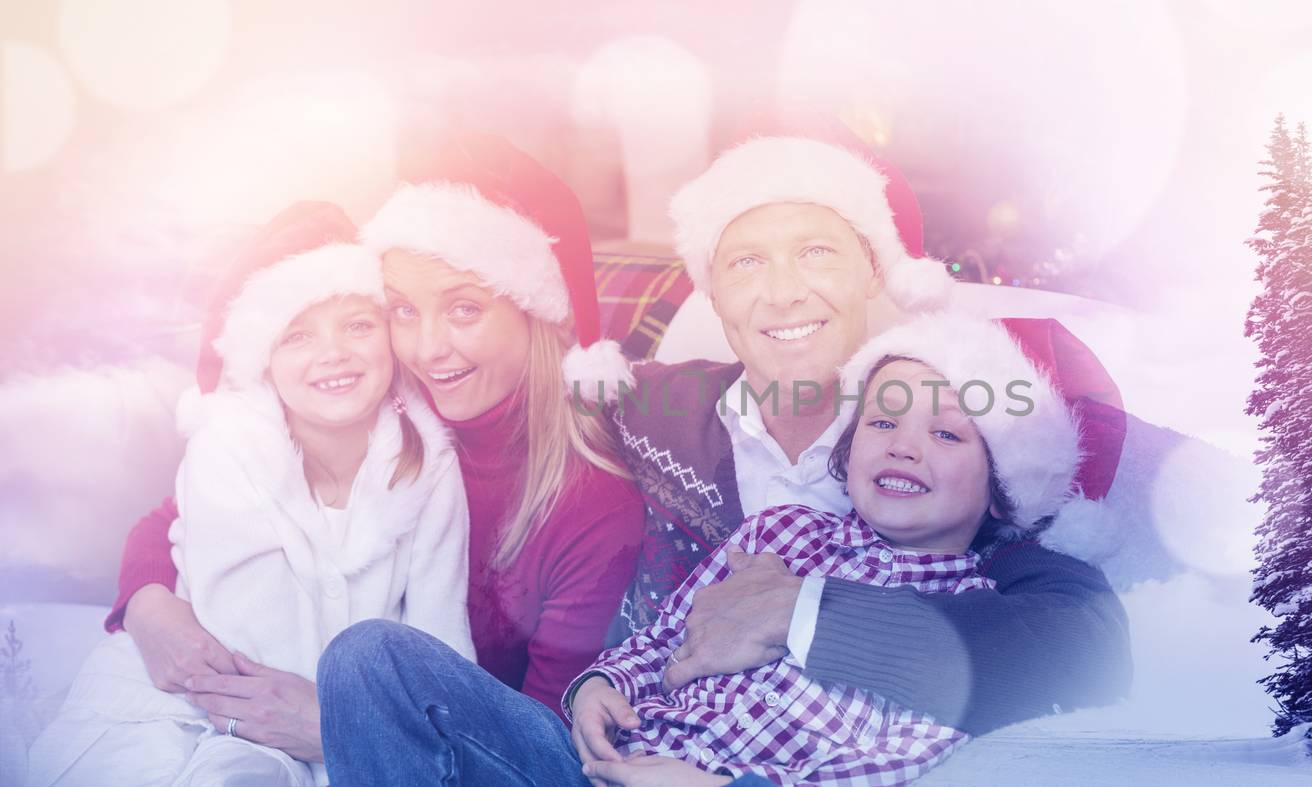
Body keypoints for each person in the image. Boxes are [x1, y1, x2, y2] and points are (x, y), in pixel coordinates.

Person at [317, 132, 1132, 786]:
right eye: (746, 261)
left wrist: (798, 611)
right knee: (369, 657)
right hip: (601, 747)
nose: (781, 293)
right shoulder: (644, 409)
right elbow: (482, 390)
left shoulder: (968, 464)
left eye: (816, 252)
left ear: (873, 272)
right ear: (713, 289)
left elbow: (1085, 646)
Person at [98, 132, 645, 763]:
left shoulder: (589, 503)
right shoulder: (381, 404)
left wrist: (339, 726)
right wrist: (149, 607)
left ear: (533, 312)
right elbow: (181, 515)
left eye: (465, 310)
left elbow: (543, 746)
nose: (430, 348)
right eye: (403, 311)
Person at [27, 203, 473, 787]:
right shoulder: (229, 447)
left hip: (316, 722)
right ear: (264, 360)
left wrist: (416, 730)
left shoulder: (429, 461)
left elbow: (442, 641)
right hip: (200, 688)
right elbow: (246, 634)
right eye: (297, 335)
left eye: (359, 325)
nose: (333, 352)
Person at [564, 313, 1113, 786]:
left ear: (1003, 491)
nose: (903, 445)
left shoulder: (968, 609)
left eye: (947, 434)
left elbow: (883, 769)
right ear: (847, 451)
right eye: (881, 422)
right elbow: (659, 638)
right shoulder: (778, 532)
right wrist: (598, 686)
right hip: (603, 756)